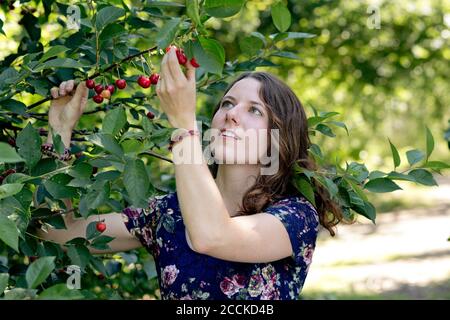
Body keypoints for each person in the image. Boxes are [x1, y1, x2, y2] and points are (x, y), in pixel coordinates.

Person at [37, 47, 343, 300]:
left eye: (255, 110)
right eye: (228, 103)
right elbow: (56, 232)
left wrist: (182, 124)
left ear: (278, 140)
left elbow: (211, 236)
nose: (231, 115)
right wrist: (59, 132)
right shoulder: (167, 213)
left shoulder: (295, 216)